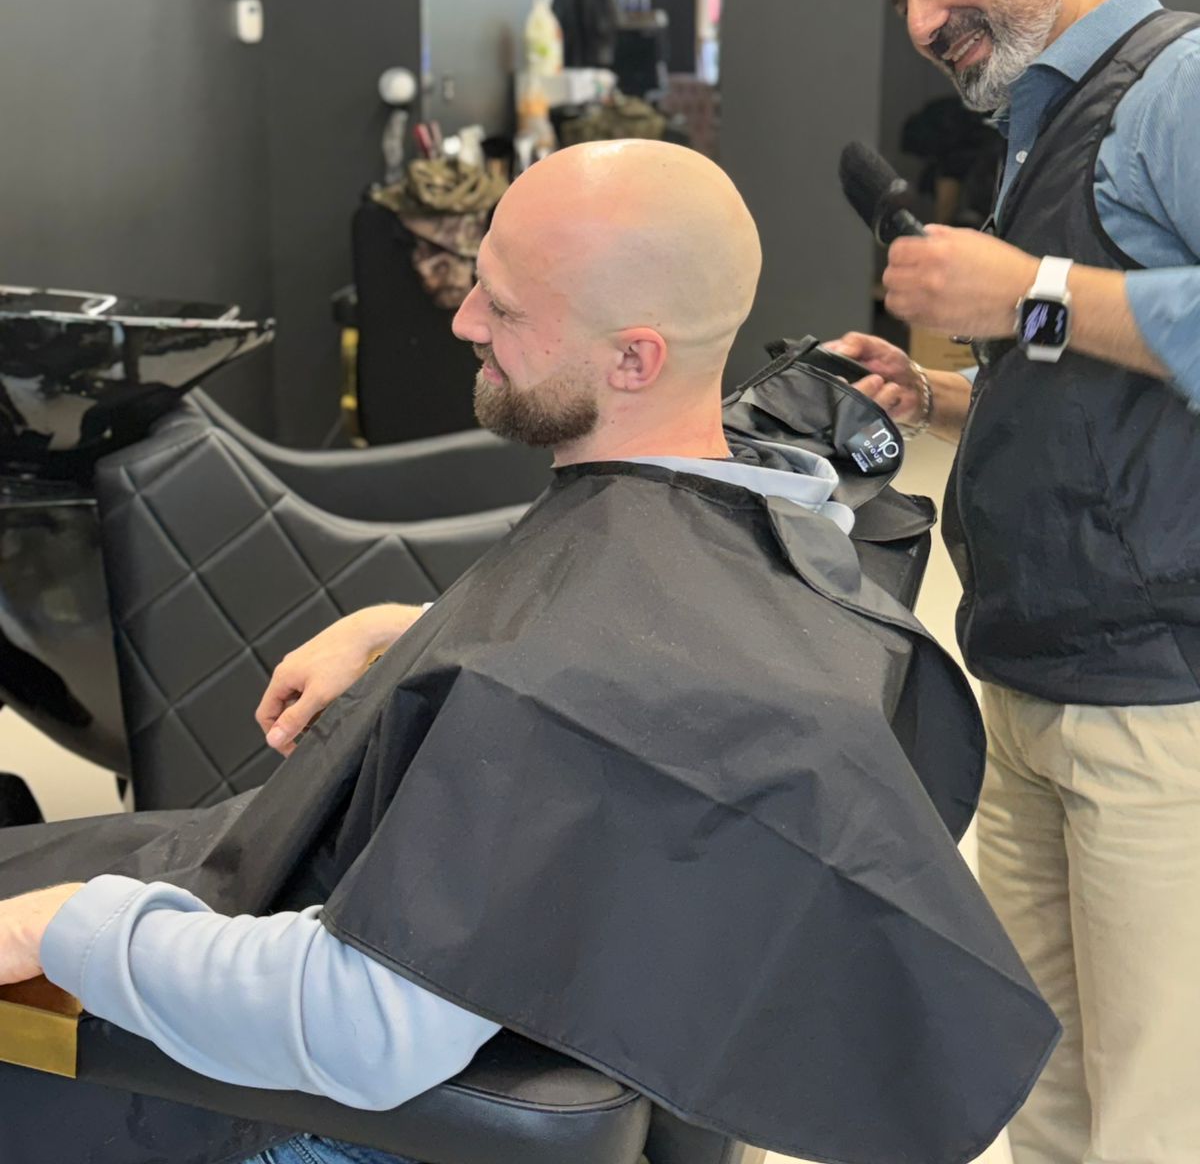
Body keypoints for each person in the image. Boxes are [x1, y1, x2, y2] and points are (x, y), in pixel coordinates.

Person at [0, 141, 1056, 1164]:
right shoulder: (773, 510)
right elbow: (625, 630)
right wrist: (417, 627)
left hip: (305, 1104)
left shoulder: (566, 681)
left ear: (633, 357)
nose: (462, 320)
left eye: (501, 308)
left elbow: (366, 1025)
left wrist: (69, 930)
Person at [828, 0, 1200, 1164]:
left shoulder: (1178, 88)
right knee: (1041, 1090)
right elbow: (1110, 370)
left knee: (1156, 1114)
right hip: (1034, 677)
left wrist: (1027, 287)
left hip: (1157, 700)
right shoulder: (1049, 120)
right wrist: (940, 393)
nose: (924, 22)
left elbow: (1068, 306)